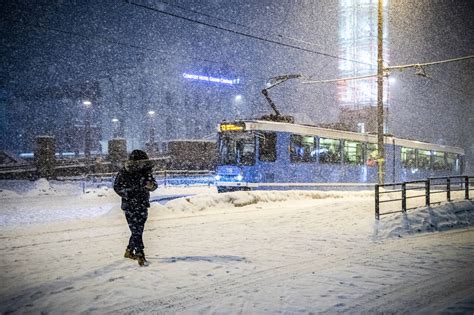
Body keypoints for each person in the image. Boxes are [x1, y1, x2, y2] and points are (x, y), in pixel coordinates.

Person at [113, 149, 157, 266]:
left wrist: (151, 185)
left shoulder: (145, 171)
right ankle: (140, 253)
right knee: (137, 230)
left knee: (138, 229)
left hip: (142, 204)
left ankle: (129, 251)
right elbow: (117, 187)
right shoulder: (124, 172)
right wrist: (129, 194)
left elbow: (154, 184)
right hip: (130, 205)